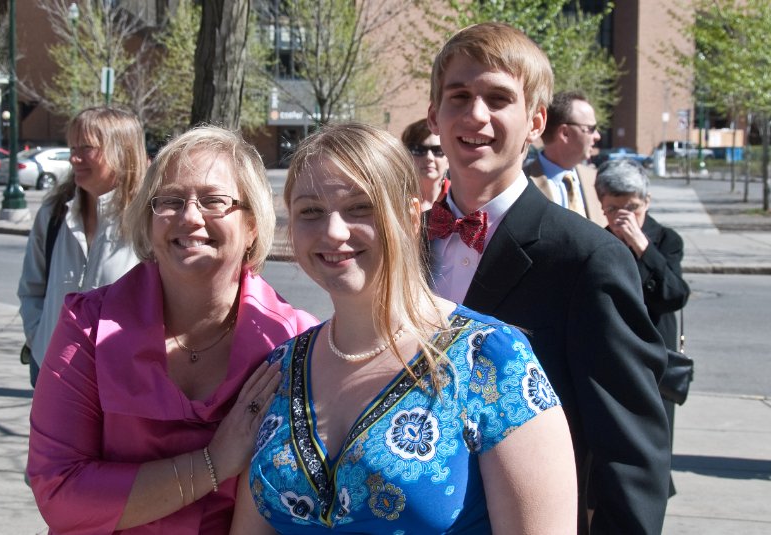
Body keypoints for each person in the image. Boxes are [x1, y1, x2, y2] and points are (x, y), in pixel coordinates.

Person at [230, 122, 577, 534]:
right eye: (310, 211)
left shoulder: (491, 360)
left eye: (360, 207)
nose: (333, 231)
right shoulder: (281, 369)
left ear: (412, 216)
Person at [425, 23, 671, 534]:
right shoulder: (402, 246)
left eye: (498, 98)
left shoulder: (588, 259)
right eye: (460, 96)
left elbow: (629, 451)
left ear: (536, 121)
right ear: (435, 115)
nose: (476, 115)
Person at [27, 126, 319, 534]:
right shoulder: (88, 326)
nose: (189, 217)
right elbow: (58, 492)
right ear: (148, 221)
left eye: (214, 200)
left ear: (252, 224)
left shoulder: (295, 341)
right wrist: (212, 465)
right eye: (170, 201)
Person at [18, 106, 148, 387]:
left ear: (121, 151)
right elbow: (31, 287)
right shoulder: (54, 213)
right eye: (72, 147)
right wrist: (39, 336)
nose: (74, 158)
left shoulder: (150, 220)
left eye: (86, 148)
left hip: (117, 380)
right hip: (50, 370)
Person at [595, 158, 691, 498]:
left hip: (655, 359)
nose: (623, 216)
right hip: (613, 358)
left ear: (646, 202)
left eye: (632, 208)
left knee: (655, 442)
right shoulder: (597, 242)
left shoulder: (665, 240)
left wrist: (641, 246)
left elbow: (675, 294)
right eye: (613, 209)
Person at [524, 91, 607, 227]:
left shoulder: (595, 179)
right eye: (591, 129)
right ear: (565, 133)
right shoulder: (521, 182)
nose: (597, 136)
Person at [401, 118, 450, 210]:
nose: (429, 158)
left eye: (438, 150)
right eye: (419, 149)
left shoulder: (461, 200)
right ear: (405, 156)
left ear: (448, 160)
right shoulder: (392, 200)